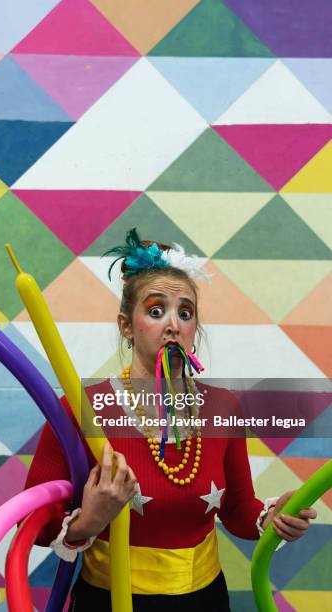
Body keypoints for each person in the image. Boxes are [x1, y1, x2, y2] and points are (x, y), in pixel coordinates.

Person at [23, 229, 317, 611]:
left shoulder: (223, 407)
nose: (174, 325)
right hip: (108, 600)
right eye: (156, 311)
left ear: (195, 328)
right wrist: (88, 522)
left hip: (204, 599)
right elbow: (34, 526)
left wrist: (273, 518)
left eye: (186, 312)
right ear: (127, 326)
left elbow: (238, 511)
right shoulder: (80, 408)